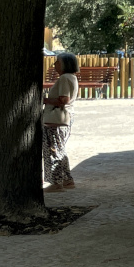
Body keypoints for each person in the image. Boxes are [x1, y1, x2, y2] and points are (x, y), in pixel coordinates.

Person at [42, 53, 79, 191]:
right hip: (65, 117)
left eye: (57, 62)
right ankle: (67, 179)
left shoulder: (64, 78)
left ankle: (57, 183)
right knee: (60, 149)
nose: (54, 64)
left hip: (57, 118)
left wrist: (44, 100)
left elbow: (64, 99)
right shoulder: (72, 77)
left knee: (54, 149)